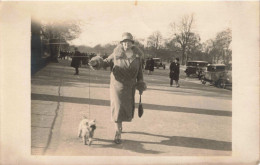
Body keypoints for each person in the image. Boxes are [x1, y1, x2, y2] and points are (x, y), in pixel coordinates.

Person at [89, 32, 147, 144]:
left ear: (132, 43)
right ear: (121, 43)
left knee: (126, 108)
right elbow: (104, 62)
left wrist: (140, 83)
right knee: (118, 108)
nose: (126, 44)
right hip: (117, 85)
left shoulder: (138, 57)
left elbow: (139, 72)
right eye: (124, 42)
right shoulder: (116, 54)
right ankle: (118, 132)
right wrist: (95, 62)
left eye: (128, 42)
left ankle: (119, 127)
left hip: (130, 86)